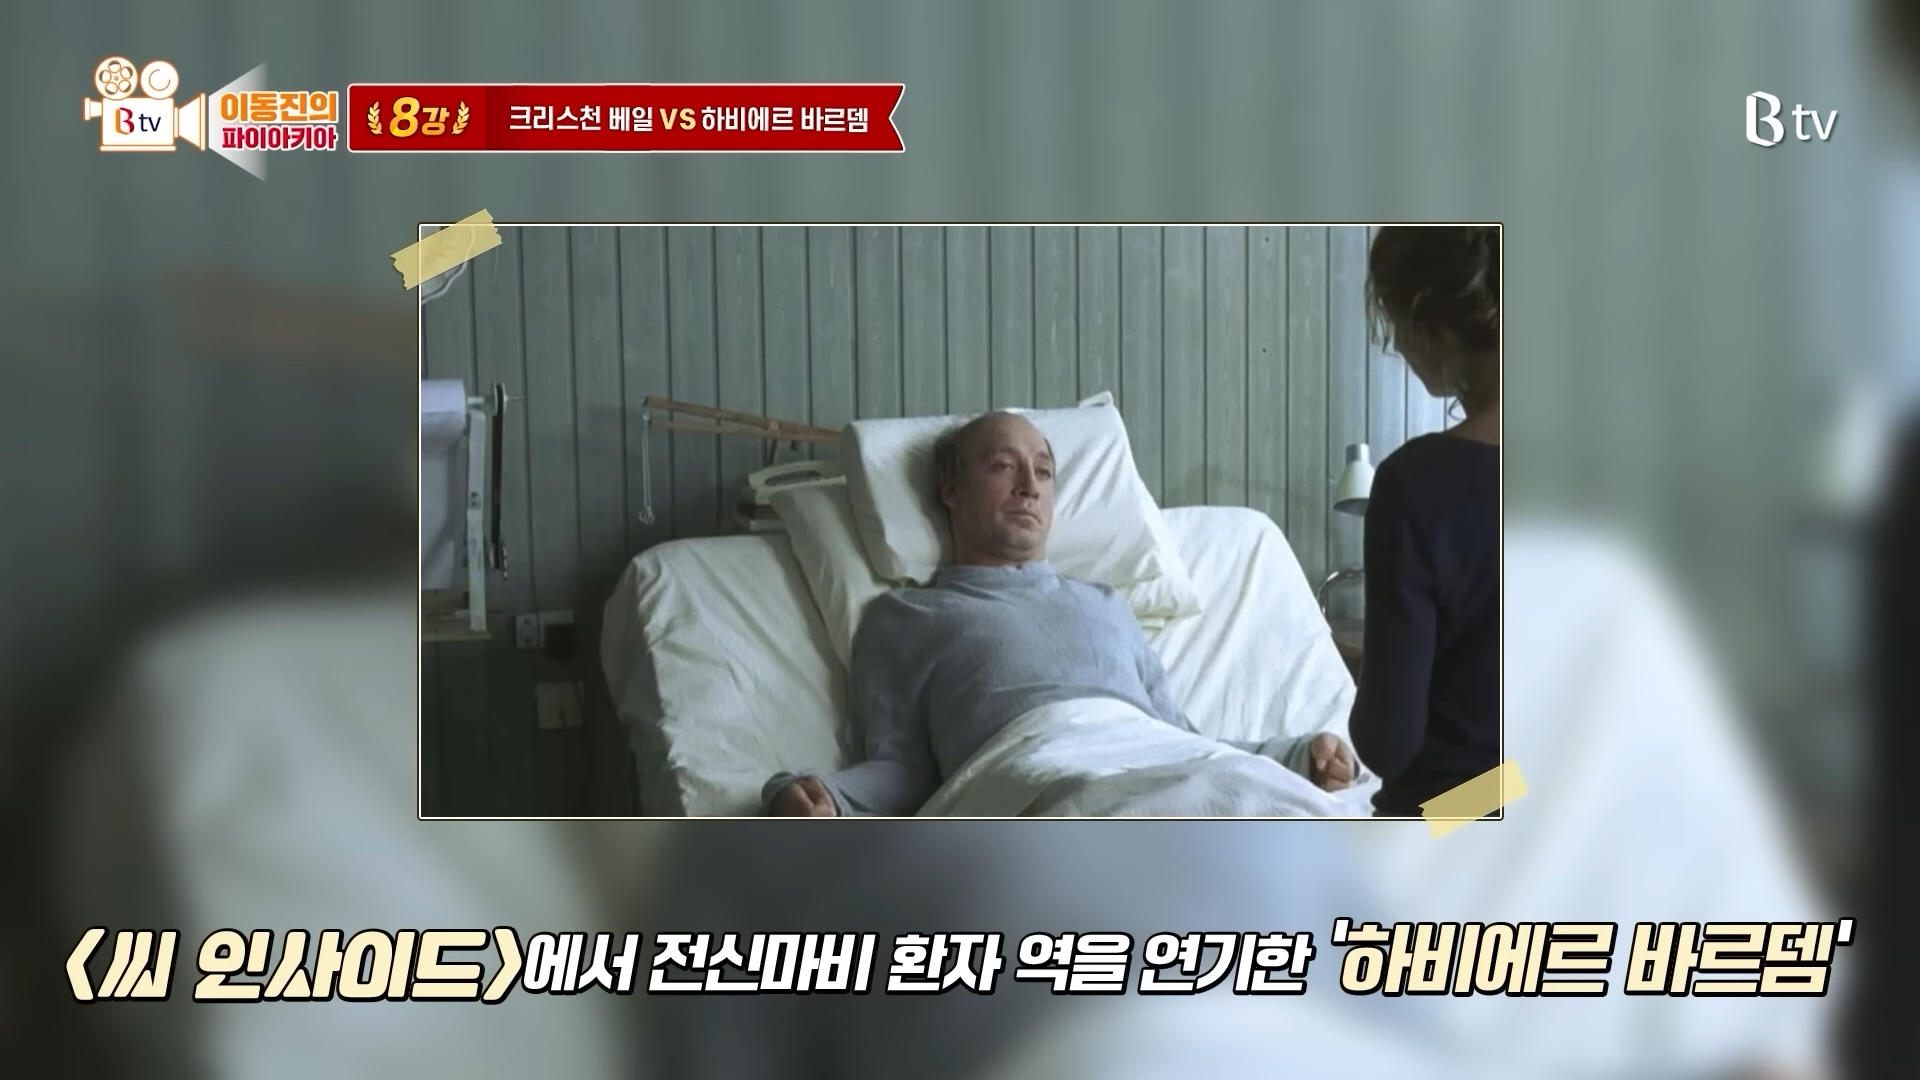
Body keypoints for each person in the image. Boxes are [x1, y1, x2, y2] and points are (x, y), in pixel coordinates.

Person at [764, 410, 1360, 816]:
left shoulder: (1105, 605)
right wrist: (821, 795)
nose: (1029, 485)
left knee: (1291, 812)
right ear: (950, 490)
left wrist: (1293, 756)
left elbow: (1183, 740)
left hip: (1166, 759)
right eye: (1003, 466)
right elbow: (904, 770)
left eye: (1044, 472)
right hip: (1038, 769)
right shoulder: (905, 619)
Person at [1347, 226, 1501, 817]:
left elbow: (1388, 743)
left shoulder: (1417, 485)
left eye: (1393, 324)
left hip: (1455, 824)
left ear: (1429, 326)